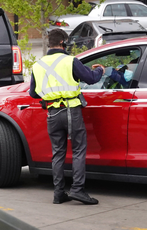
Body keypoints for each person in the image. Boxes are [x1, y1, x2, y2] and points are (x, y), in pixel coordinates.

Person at [29, 28, 105, 205]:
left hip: (52, 114)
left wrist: (51, 96)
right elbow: (91, 79)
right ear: (63, 43)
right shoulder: (70, 61)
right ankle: (78, 190)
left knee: (58, 153)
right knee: (78, 150)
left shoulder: (38, 65)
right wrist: (100, 70)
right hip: (71, 111)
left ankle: (58, 193)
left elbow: (33, 93)